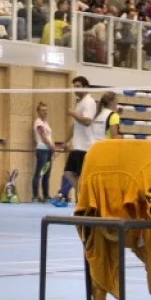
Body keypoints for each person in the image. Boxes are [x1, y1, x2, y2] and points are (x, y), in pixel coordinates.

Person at [54, 76, 97, 207]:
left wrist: (73, 114)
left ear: (85, 87)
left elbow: (87, 121)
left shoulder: (89, 102)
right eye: (74, 86)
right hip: (77, 146)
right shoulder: (80, 102)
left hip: (85, 147)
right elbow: (75, 126)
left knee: (78, 176)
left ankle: (84, 201)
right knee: (68, 173)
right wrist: (66, 141)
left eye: (78, 86)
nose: (75, 89)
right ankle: (83, 197)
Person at [32, 101, 55, 202]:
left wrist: (52, 145)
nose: (45, 112)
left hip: (49, 151)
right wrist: (50, 145)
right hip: (42, 150)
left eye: (46, 110)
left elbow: (49, 136)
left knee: (47, 174)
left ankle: (46, 195)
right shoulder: (38, 122)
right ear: (38, 112)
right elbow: (43, 136)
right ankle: (36, 195)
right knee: (39, 174)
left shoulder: (46, 123)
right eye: (42, 110)